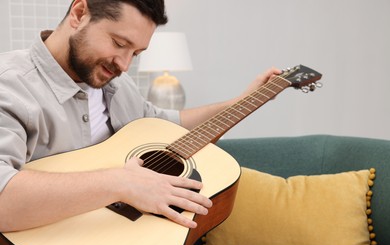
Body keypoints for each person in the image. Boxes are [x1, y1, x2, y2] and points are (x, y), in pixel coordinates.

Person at [0, 0, 280, 232]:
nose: (124, 64)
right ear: (79, 13)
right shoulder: (9, 85)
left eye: (136, 52)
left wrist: (244, 101)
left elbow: (169, 126)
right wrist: (121, 183)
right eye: (119, 43)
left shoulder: (116, 84)